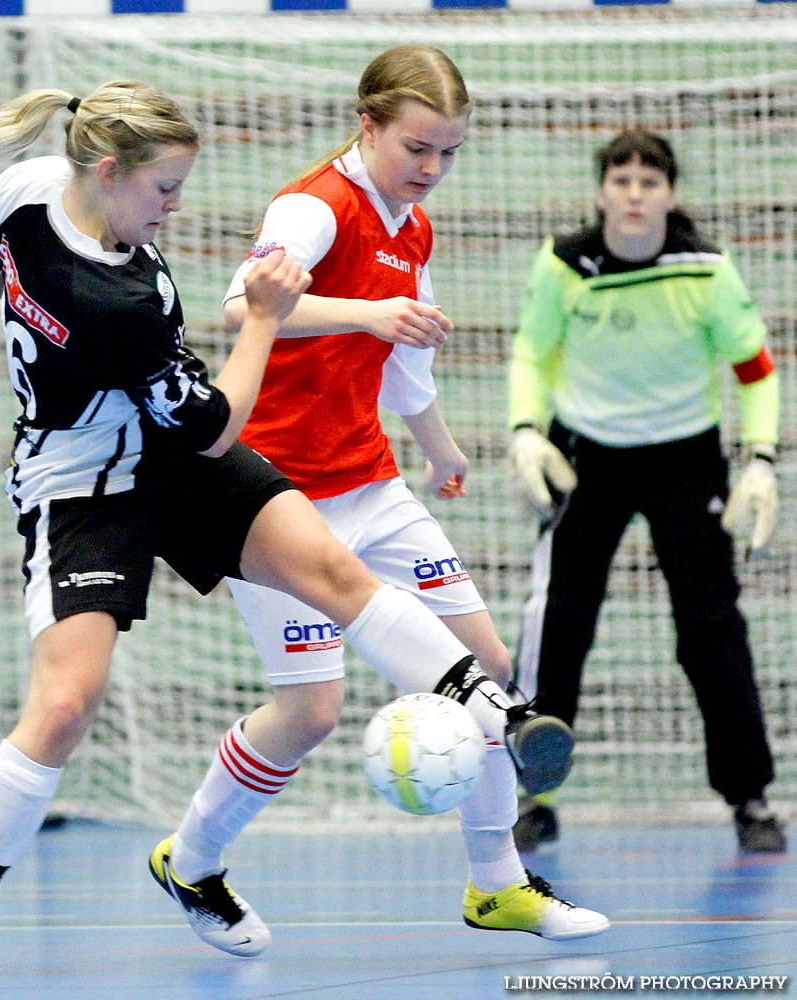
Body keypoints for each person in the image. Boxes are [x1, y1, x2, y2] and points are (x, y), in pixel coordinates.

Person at [0, 79, 579, 978]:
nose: (176, 207)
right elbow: (218, 422)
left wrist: (38, 314)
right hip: (83, 483)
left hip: (179, 462)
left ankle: (499, 709)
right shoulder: (124, 294)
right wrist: (265, 317)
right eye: (165, 189)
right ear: (105, 171)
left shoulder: (21, 191)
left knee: (332, 572)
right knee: (64, 703)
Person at [149, 45, 609, 958]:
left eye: (449, 154)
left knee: (488, 662)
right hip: (271, 500)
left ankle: (497, 885)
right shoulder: (314, 206)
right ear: (368, 125)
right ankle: (190, 858)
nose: (432, 170)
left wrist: (439, 448)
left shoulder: (412, 224)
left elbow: (406, 355)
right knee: (312, 713)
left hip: (371, 480)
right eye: (417, 148)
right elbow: (246, 307)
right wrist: (365, 309)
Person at [507, 127, 786, 854]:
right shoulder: (565, 265)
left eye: (649, 181)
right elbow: (533, 353)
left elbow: (756, 370)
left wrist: (760, 459)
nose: (634, 194)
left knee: (711, 630)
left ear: (669, 194)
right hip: (584, 459)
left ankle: (750, 798)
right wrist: (524, 431)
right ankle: (534, 796)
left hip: (685, 462)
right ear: (601, 192)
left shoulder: (707, 271)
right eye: (621, 180)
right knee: (559, 625)